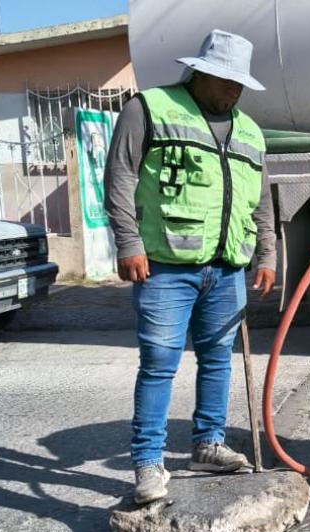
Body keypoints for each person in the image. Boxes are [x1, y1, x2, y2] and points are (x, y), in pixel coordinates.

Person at [104, 30, 277, 504]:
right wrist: (127, 242)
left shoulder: (250, 130)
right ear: (200, 72)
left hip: (227, 268)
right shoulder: (150, 108)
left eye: (240, 83)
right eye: (226, 80)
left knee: (218, 357)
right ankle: (147, 462)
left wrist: (267, 253)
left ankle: (207, 443)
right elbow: (120, 175)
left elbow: (260, 200)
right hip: (164, 266)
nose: (233, 90)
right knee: (159, 364)